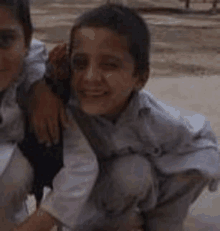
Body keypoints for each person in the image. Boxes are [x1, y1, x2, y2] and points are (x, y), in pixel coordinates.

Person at [31, 3, 220, 231]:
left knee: (141, 172)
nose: (90, 78)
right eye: (80, 63)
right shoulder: (62, 105)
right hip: (85, 198)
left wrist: (167, 211)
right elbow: (27, 70)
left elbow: (201, 146)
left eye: (109, 65)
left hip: (128, 186)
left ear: (140, 78)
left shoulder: (154, 120)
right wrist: (45, 87)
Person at [0, 0, 95, 230]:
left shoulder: (32, 89)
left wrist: (38, 223)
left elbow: (83, 164)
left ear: (26, 41)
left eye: (4, 40)